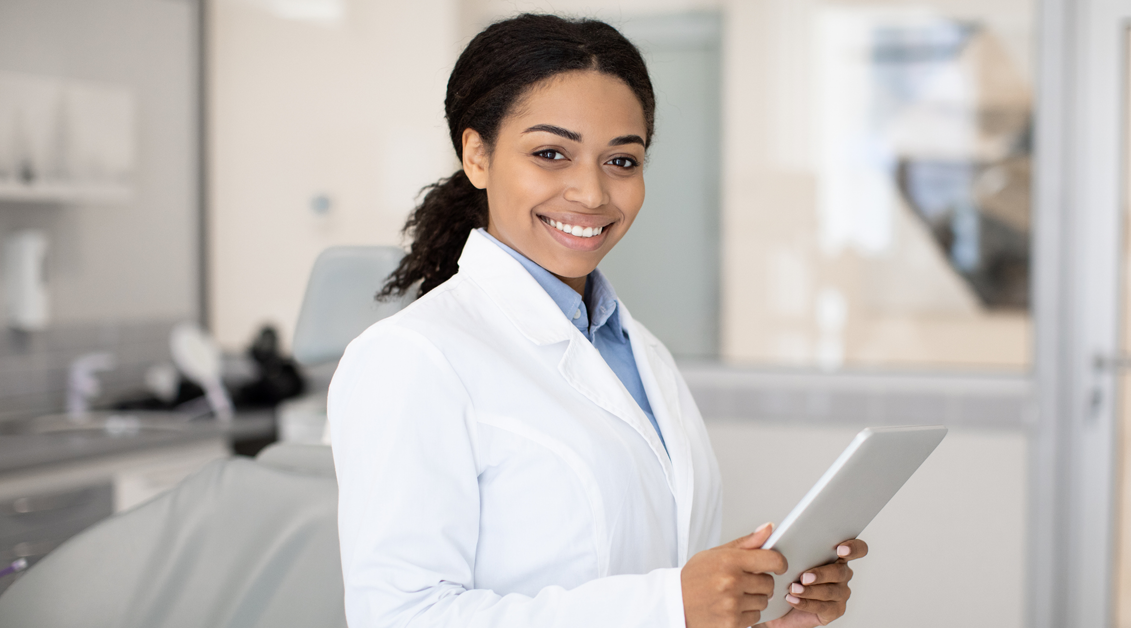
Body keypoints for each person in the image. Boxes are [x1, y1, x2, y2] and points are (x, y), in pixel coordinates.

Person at [328, 14, 868, 628]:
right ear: (477, 156)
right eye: (551, 154)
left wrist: (758, 609)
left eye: (621, 161)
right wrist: (668, 606)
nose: (591, 194)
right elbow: (399, 616)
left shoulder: (641, 353)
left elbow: (660, 579)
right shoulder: (412, 357)